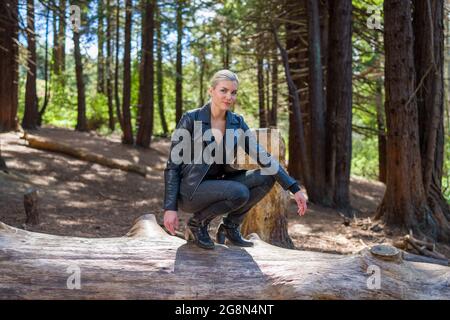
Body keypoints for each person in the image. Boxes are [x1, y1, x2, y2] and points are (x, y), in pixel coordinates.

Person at [163, 69, 307, 250]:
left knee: (267, 175)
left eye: (233, 92)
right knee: (239, 192)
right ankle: (196, 224)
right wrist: (170, 208)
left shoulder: (236, 122)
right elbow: (173, 167)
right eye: (223, 90)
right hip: (192, 189)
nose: (229, 97)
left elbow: (261, 155)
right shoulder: (191, 119)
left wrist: (293, 187)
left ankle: (230, 227)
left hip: (220, 183)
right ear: (211, 91)